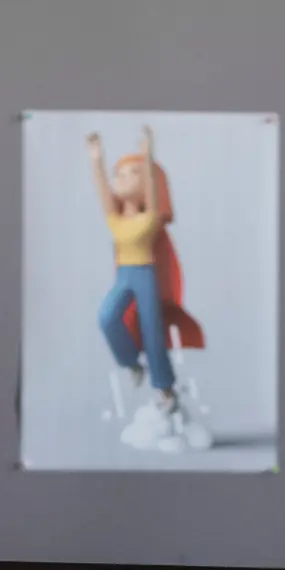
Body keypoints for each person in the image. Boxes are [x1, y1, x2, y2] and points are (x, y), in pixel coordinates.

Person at [88, 126, 207, 452]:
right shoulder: (114, 218)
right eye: (119, 174)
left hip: (145, 276)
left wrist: (150, 155)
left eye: (132, 174)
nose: (122, 179)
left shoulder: (150, 218)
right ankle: (131, 364)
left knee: (153, 335)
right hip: (125, 275)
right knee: (107, 317)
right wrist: (97, 161)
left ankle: (166, 392)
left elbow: (154, 192)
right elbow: (101, 190)